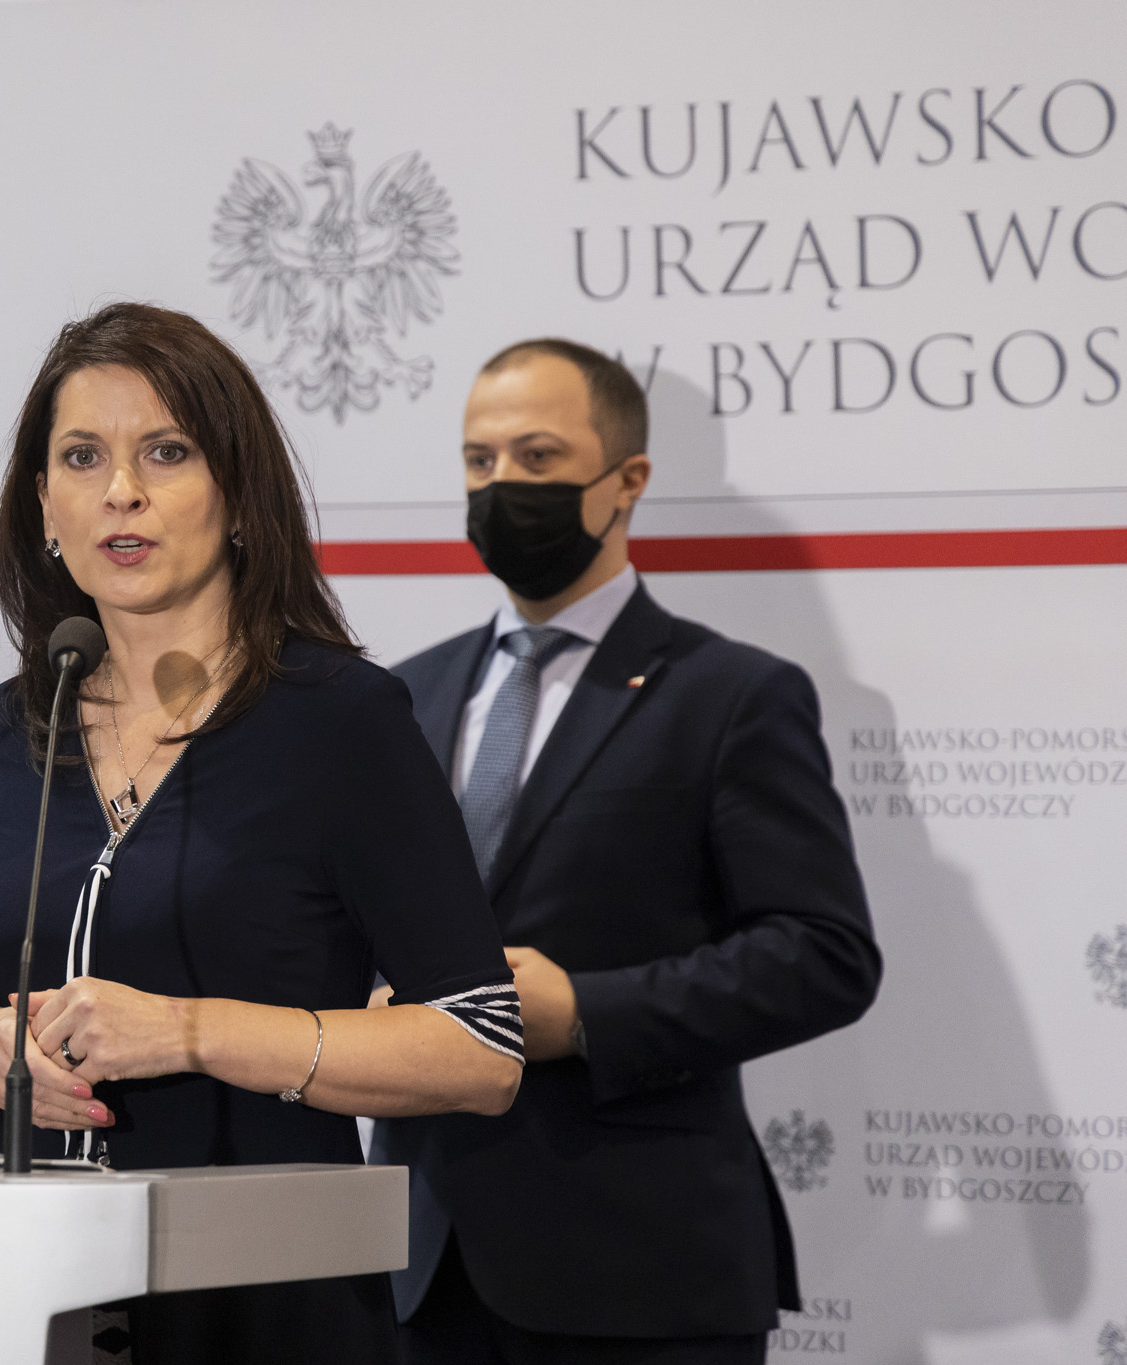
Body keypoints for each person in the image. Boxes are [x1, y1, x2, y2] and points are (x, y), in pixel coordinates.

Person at [0, 302, 522, 1364]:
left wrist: (189, 1032)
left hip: (265, 1299)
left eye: (166, 451)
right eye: (82, 457)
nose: (121, 490)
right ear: (43, 506)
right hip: (25, 1298)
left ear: (236, 492)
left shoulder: (339, 719)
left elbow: (480, 1044)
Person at [372, 339, 882, 1364]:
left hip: (641, 1271)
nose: (501, 487)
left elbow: (824, 953)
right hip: (419, 1265)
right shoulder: (401, 695)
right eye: (478, 461)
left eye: (537, 458)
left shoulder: (732, 694)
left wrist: (582, 1013)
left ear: (627, 480)